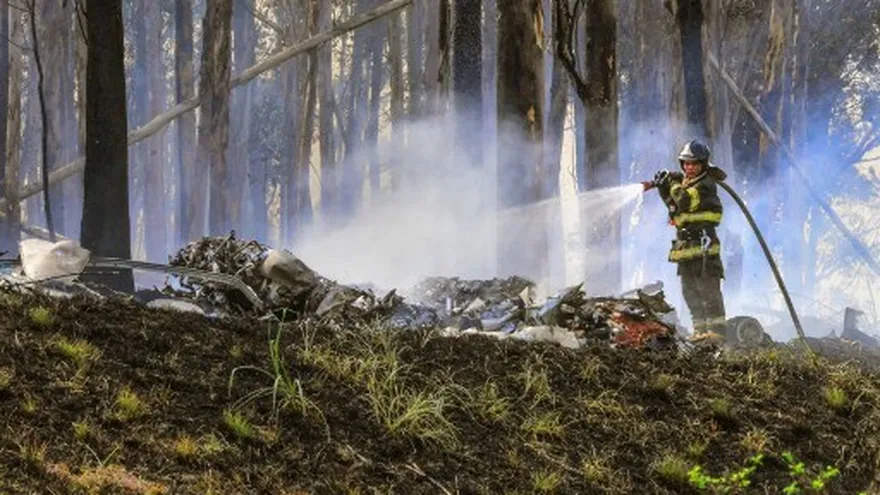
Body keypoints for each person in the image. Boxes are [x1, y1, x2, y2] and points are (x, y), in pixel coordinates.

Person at [651, 140, 727, 345]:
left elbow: (684, 200)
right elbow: (675, 208)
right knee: (690, 292)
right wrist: (663, 189)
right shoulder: (686, 183)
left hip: (704, 249)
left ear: (702, 164)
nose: (688, 167)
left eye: (693, 163)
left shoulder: (705, 185)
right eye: (685, 163)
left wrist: (672, 184)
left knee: (708, 291)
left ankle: (717, 332)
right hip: (685, 248)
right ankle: (700, 331)